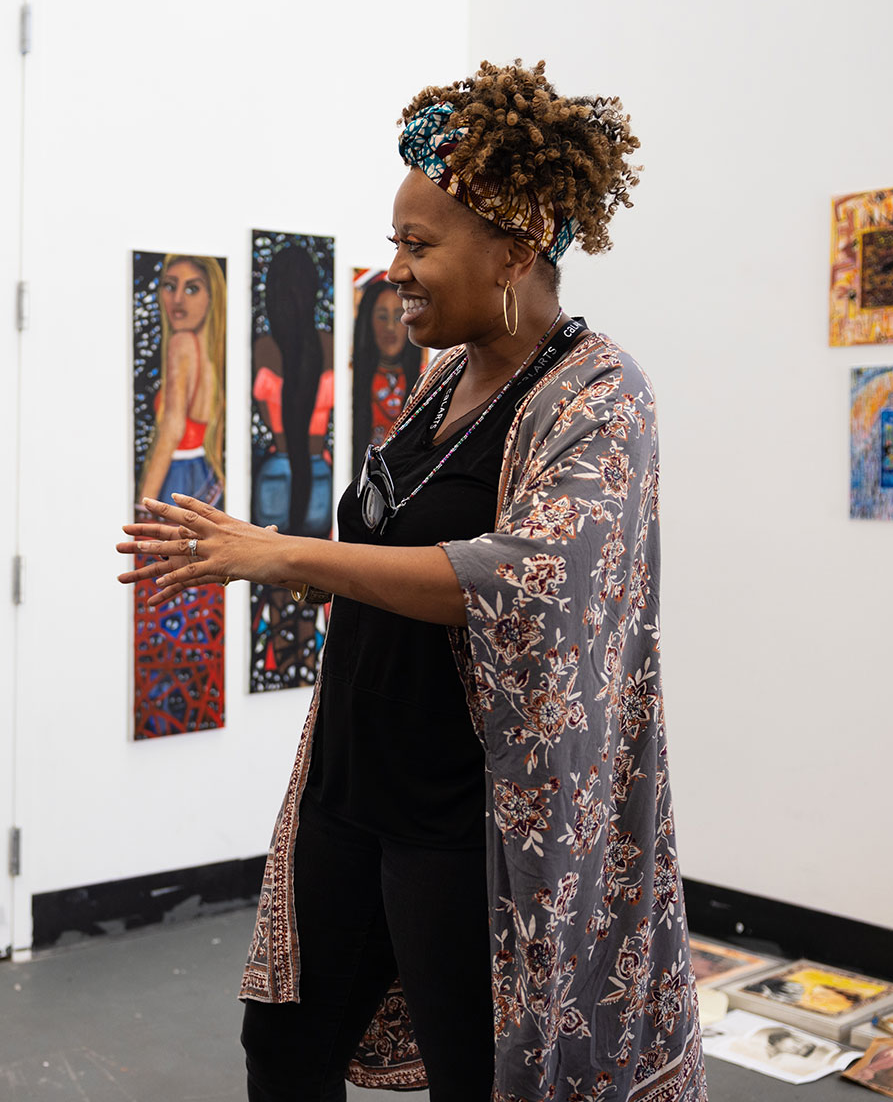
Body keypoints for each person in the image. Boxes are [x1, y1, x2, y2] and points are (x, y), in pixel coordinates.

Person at [117, 60, 705, 1102]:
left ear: (516, 250)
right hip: (350, 790)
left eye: (419, 244)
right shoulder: (443, 383)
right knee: (285, 1050)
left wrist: (284, 554)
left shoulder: (600, 393)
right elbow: (395, 554)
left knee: (476, 1077)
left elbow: (528, 578)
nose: (394, 268)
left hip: (461, 819)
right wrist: (262, 560)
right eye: (397, 241)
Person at [252, 243, 336, 537]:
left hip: (275, 465)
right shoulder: (329, 345)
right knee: (315, 578)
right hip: (319, 471)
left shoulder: (262, 349)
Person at [137, 255, 227, 510]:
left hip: (178, 476)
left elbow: (173, 427)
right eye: (169, 286)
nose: (177, 299)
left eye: (191, 289)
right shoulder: (211, 351)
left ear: (211, 296)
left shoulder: (181, 343)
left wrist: (144, 508)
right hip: (205, 476)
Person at [351, 271, 426, 465]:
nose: (391, 328)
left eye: (399, 316)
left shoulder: (426, 382)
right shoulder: (351, 381)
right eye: (382, 317)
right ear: (368, 323)